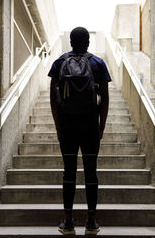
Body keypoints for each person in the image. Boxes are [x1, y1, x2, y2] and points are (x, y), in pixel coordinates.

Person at [48, 27, 111, 235]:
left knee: (69, 172)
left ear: (71, 41)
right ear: (88, 42)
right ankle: (91, 222)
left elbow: (53, 99)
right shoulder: (98, 63)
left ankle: (68, 222)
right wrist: (101, 126)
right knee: (91, 173)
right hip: (90, 126)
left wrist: (58, 126)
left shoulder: (59, 63)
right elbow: (105, 98)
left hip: (67, 127)